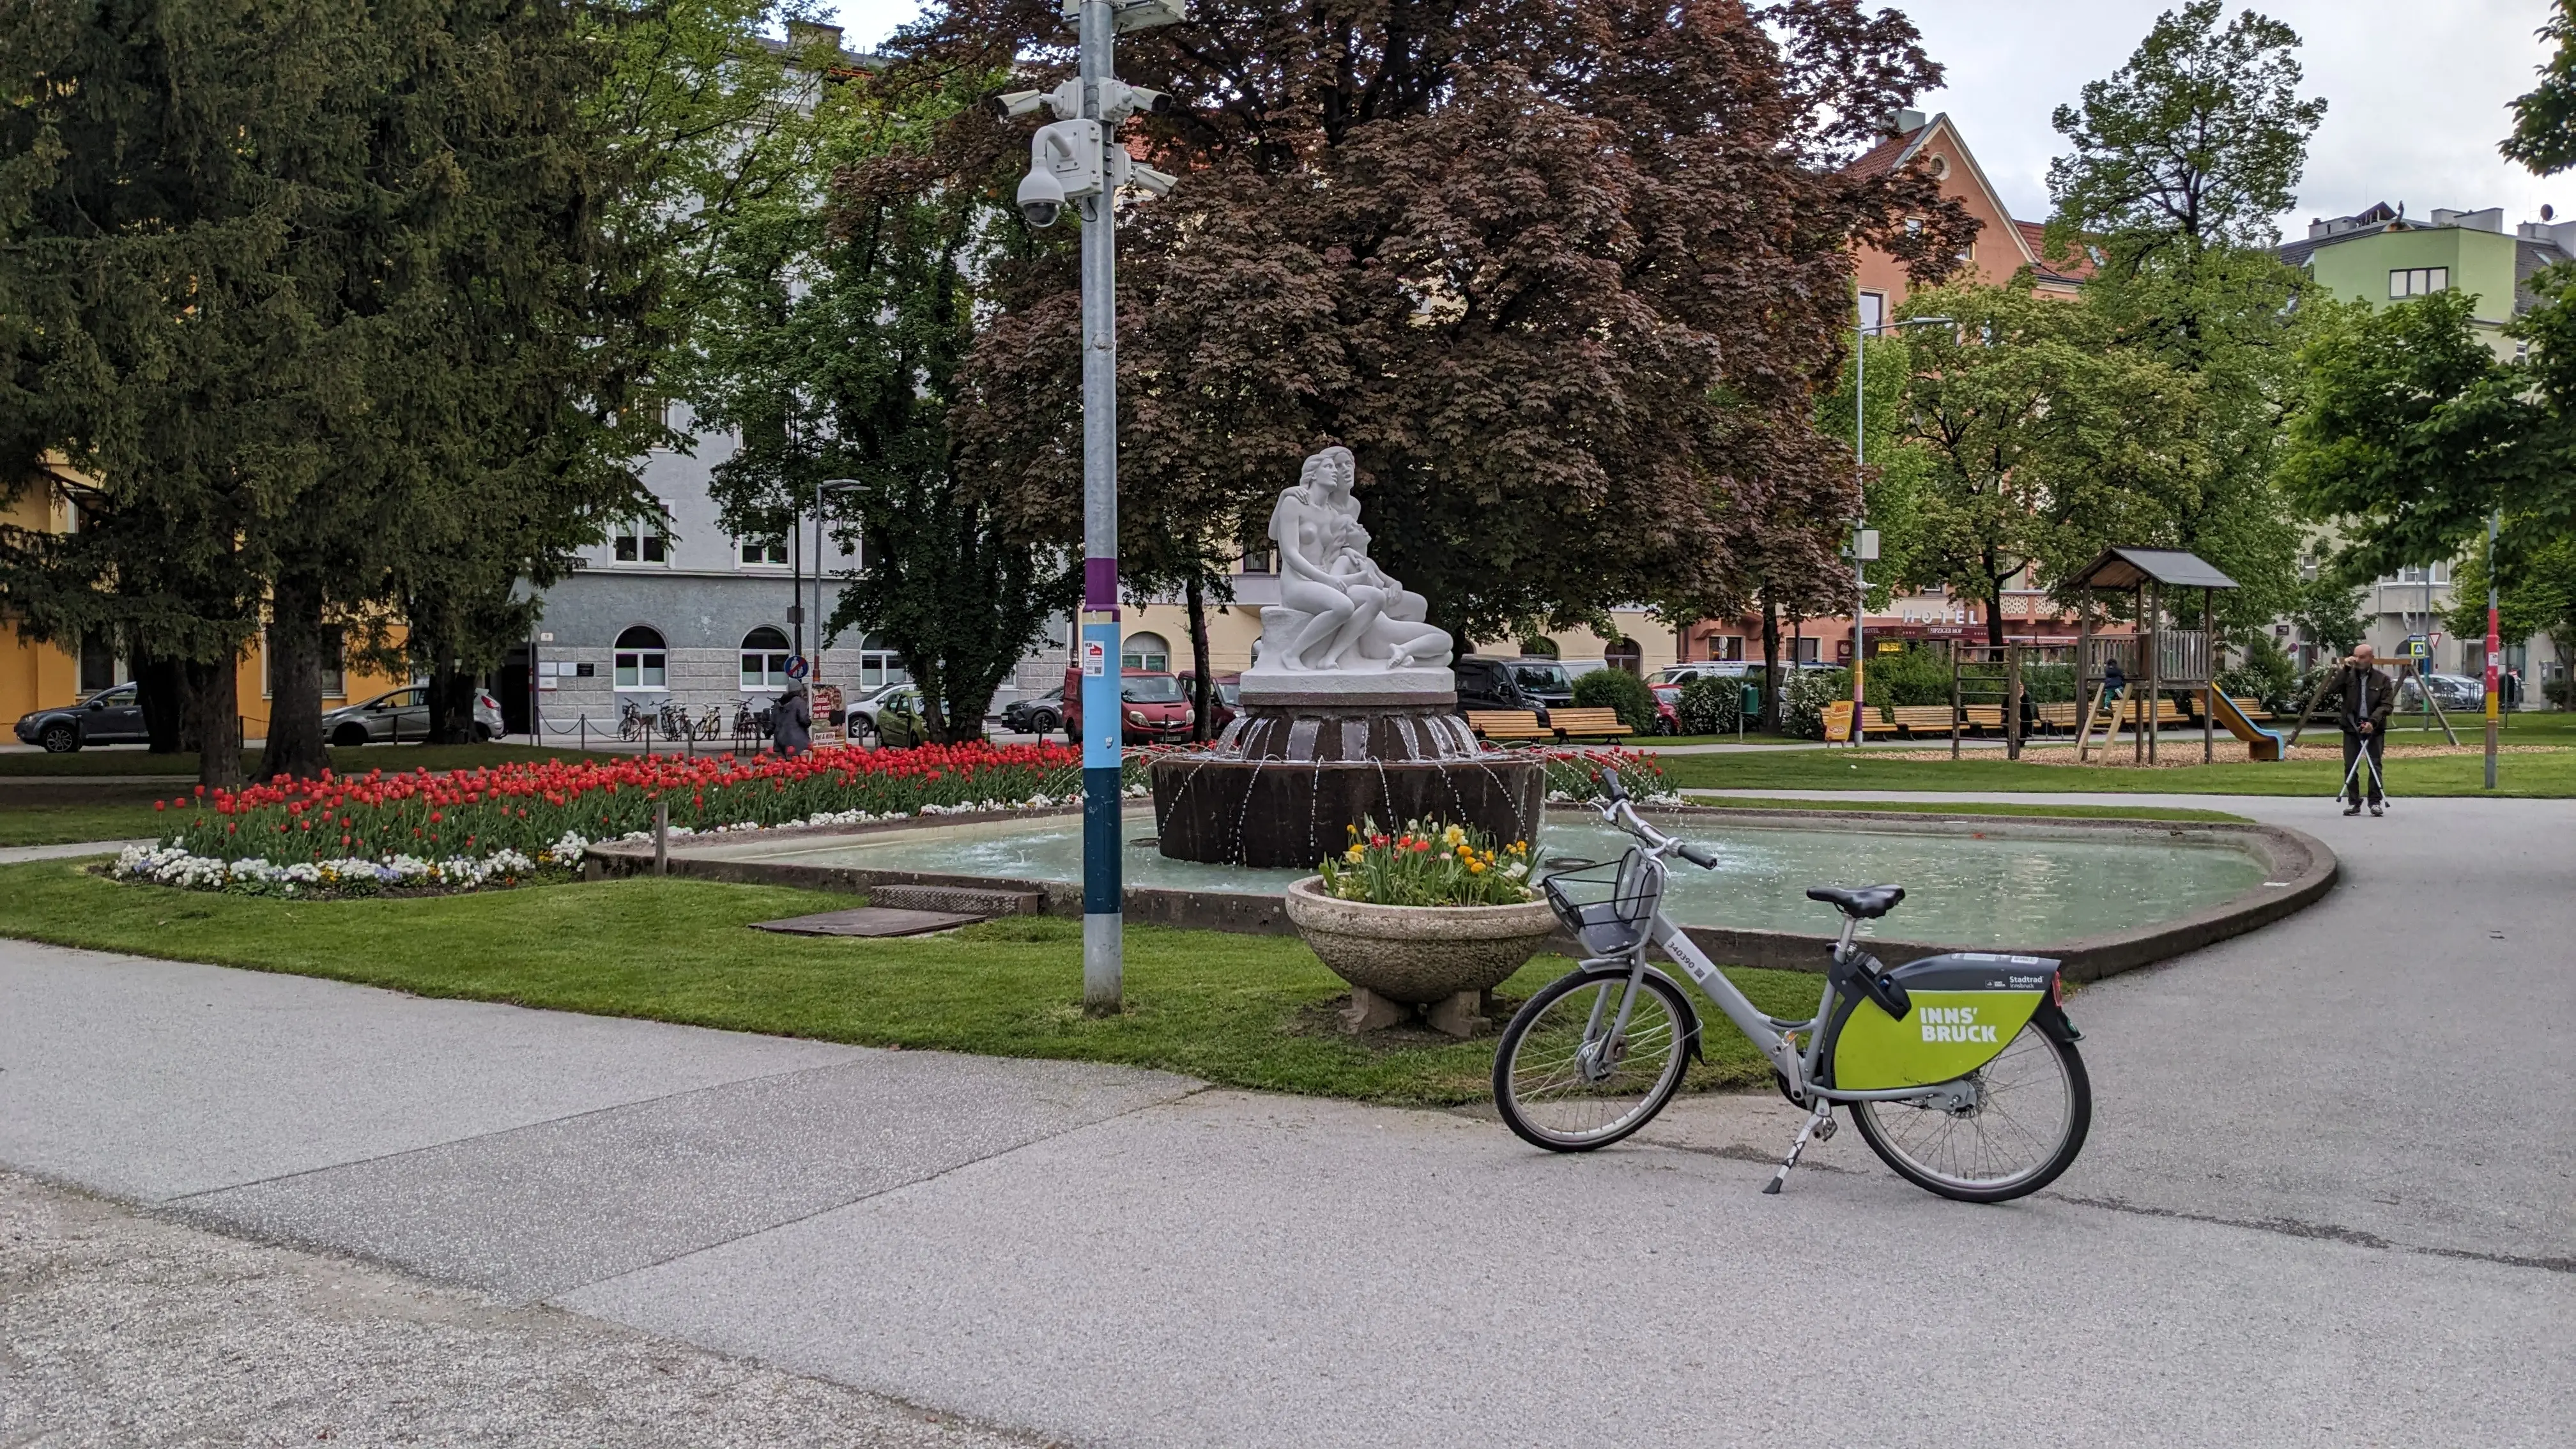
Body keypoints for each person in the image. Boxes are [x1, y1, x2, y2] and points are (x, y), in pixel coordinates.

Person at [2329, 644, 2394, 816]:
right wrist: (2345, 669)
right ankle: (2354, 802)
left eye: (2362, 657)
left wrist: (2373, 722)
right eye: (2355, 656)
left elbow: (2387, 705)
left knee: (2375, 765)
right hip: (2351, 725)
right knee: (2350, 765)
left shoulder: (2383, 680)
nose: (2358, 660)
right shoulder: (2348, 676)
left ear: (2371, 658)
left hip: (2375, 727)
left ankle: (2375, 802)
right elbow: (2332, 690)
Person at [771, 680, 811, 757]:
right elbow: (804, 720)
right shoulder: (799, 702)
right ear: (800, 690)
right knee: (800, 766)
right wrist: (809, 721)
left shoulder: (778, 703)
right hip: (797, 741)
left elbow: (773, 723)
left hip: (781, 740)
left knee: (787, 766)